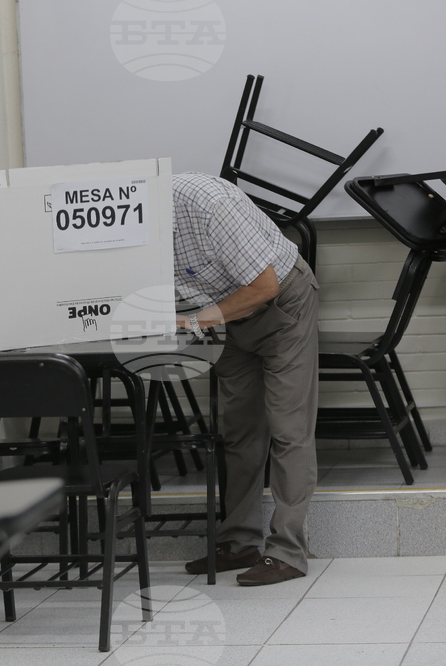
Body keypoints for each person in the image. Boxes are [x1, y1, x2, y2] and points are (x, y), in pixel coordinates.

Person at [172, 171, 319, 586]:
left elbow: (264, 286)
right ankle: (238, 543)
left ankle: (288, 551)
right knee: (238, 430)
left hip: (279, 304)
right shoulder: (129, 231)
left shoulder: (209, 205)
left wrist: (193, 320)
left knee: (288, 427)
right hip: (221, 315)